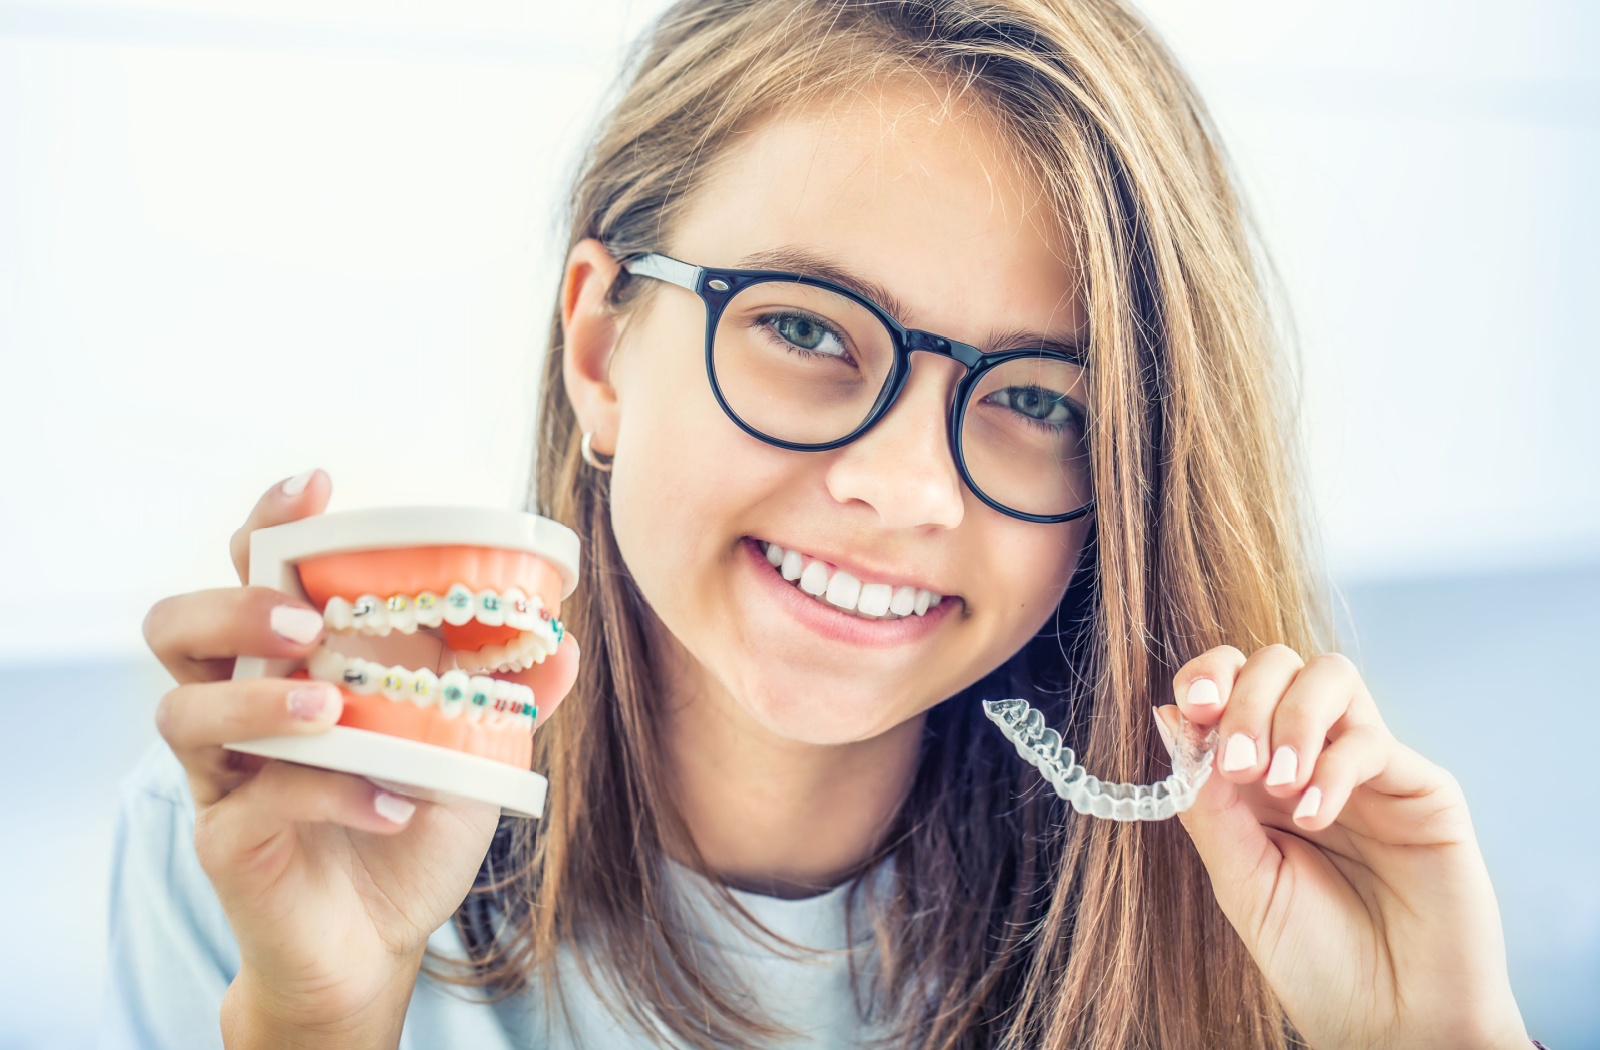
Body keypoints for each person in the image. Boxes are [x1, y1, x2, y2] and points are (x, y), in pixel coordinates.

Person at [106, 1, 1537, 1047]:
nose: (908, 488)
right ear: (603, 350)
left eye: (1040, 401)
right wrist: (322, 1015)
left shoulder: (1231, 915)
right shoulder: (253, 848)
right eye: (803, 325)